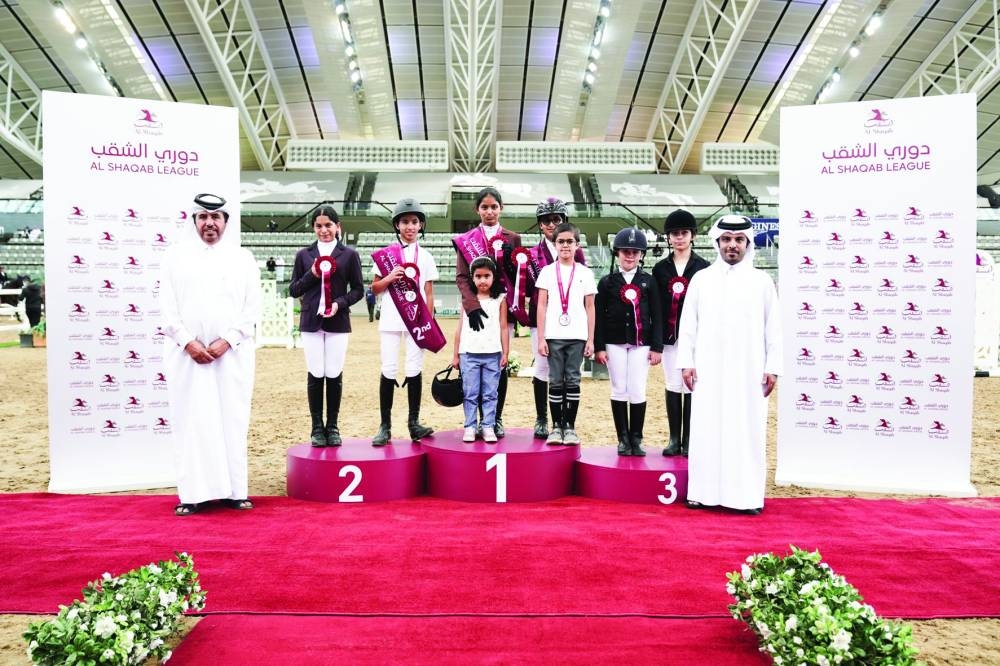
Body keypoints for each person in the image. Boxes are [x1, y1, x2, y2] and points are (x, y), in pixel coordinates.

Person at [159, 193, 261, 516]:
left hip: (231, 355)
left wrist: (227, 340)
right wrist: (188, 342)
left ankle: (235, 491)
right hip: (186, 357)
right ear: (194, 221)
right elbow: (167, 310)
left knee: (231, 418)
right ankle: (191, 494)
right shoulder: (174, 258)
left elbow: (251, 309)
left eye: (216, 217)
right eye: (203, 217)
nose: (209, 224)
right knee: (191, 421)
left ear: (226, 222)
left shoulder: (243, 259)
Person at [676, 214, 782, 515]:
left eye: (738, 240)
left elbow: (773, 328)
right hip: (707, 370)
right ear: (717, 242)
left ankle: (745, 497)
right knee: (706, 427)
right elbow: (689, 326)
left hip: (749, 372)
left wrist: (772, 367)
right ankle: (702, 492)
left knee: (746, 428)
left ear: (747, 243)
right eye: (726, 240)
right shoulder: (701, 279)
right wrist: (686, 362)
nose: (732, 245)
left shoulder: (762, 282)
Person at [369, 198, 444, 445]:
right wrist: (390, 277)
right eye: (405, 222)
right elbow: (375, 288)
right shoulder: (385, 255)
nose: (410, 227)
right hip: (391, 318)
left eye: (414, 222)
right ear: (397, 225)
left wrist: (427, 322)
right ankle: (384, 426)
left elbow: (429, 292)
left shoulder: (427, 256)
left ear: (421, 225)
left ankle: (414, 423)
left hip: (416, 321)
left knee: (414, 368)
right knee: (388, 368)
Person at [289, 205, 364, 447]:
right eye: (319, 226)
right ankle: (316, 428)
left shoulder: (349, 255)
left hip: (338, 320)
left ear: (337, 226)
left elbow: (359, 290)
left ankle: (332, 426)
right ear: (314, 228)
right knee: (315, 373)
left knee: (333, 373)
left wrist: (340, 304)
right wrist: (311, 274)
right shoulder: (303, 255)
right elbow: (293, 290)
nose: (324, 230)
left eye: (328, 225)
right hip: (311, 321)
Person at [453, 187, 523, 438]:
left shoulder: (513, 238)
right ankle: (473, 423)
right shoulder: (467, 239)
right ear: (477, 210)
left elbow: (517, 276)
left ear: (501, 208)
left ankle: (495, 419)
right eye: (485, 207)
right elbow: (462, 277)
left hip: (501, 308)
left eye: (494, 207)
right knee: (473, 374)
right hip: (475, 308)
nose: (490, 211)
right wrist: (471, 305)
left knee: (499, 365)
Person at [594, 228, 663, 456]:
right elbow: (599, 316)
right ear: (617, 254)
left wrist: (656, 346)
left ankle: (637, 438)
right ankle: (622, 438)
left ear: (641, 255)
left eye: (634, 252)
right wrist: (600, 346)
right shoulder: (607, 282)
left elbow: (657, 314)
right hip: (614, 342)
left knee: (637, 388)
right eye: (625, 252)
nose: (630, 256)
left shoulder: (649, 282)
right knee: (618, 388)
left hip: (641, 343)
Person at [525, 198, 587, 438]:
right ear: (540, 225)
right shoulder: (529, 255)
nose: (552, 224)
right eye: (546, 220)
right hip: (542, 321)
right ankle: (542, 418)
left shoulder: (575, 252)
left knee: (568, 375)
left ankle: (566, 423)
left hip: (570, 324)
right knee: (542, 368)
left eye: (556, 219)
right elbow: (528, 287)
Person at [652, 209, 711, 457]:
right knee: (673, 384)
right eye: (674, 234)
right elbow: (656, 306)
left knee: (692, 386)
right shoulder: (660, 269)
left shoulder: (704, 268)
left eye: (683, 233)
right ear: (669, 238)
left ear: (693, 236)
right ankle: (675, 438)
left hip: (695, 337)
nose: (679, 238)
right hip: (668, 337)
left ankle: (690, 439)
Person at [534, 222, 597, 445]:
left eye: (570, 241)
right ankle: (555, 427)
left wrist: (591, 339)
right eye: (561, 241)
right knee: (555, 381)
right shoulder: (547, 272)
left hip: (577, 336)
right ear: (555, 243)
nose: (565, 245)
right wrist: (541, 338)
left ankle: (570, 426)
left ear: (577, 244)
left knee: (573, 380)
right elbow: (541, 305)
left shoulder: (586, 273)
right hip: (553, 336)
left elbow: (590, 307)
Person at [452, 257, 509, 443]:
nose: (483, 280)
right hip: (469, 354)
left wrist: (505, 352)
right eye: (478, 276)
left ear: (494, 277)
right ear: (472, 278)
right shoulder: (467, 300)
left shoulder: (500, 299)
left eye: (487, 276)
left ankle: (488, 426)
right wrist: (455, 354)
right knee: (470, 392)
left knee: (490, 393)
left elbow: (503, 327)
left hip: (493, 354)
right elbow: (460, 327)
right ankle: (469, 426)